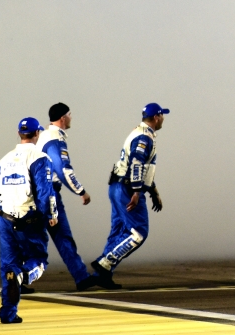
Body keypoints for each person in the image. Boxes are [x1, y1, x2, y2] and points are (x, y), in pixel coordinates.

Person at [0, 117, 58, 324]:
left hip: (5, 220)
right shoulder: (40, 157)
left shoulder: (4, 159)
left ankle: (8, 314)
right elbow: (45, 194)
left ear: (19, 134)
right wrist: (51, 216)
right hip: (29, 220)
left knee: (9, 266)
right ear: (37, 134)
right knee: (39, 260)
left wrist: (9, 206)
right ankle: (24, 276)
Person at [91, 103, 168, 288]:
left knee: (118, 231)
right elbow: (136, 163)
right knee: (138, 233)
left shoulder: (139, 133)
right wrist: (136, 191)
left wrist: (153, 191)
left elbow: (144, 168)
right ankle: (104, 264)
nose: (164, 119)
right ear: (156, 117)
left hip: (117, 186)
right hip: (127, 189)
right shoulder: (144, 137)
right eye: (162, 115)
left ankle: (102, 275)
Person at [37, 102, 98, 290]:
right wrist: (81, 191)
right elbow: (63, 170)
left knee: (32, 240)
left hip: (36, 193)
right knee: (62, 236)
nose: (71, 117)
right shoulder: (55, 139)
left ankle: (18, 281)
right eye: (70, 114)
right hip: (48, 194)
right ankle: (81, 278)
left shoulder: (44, 136)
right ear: (63, 118)